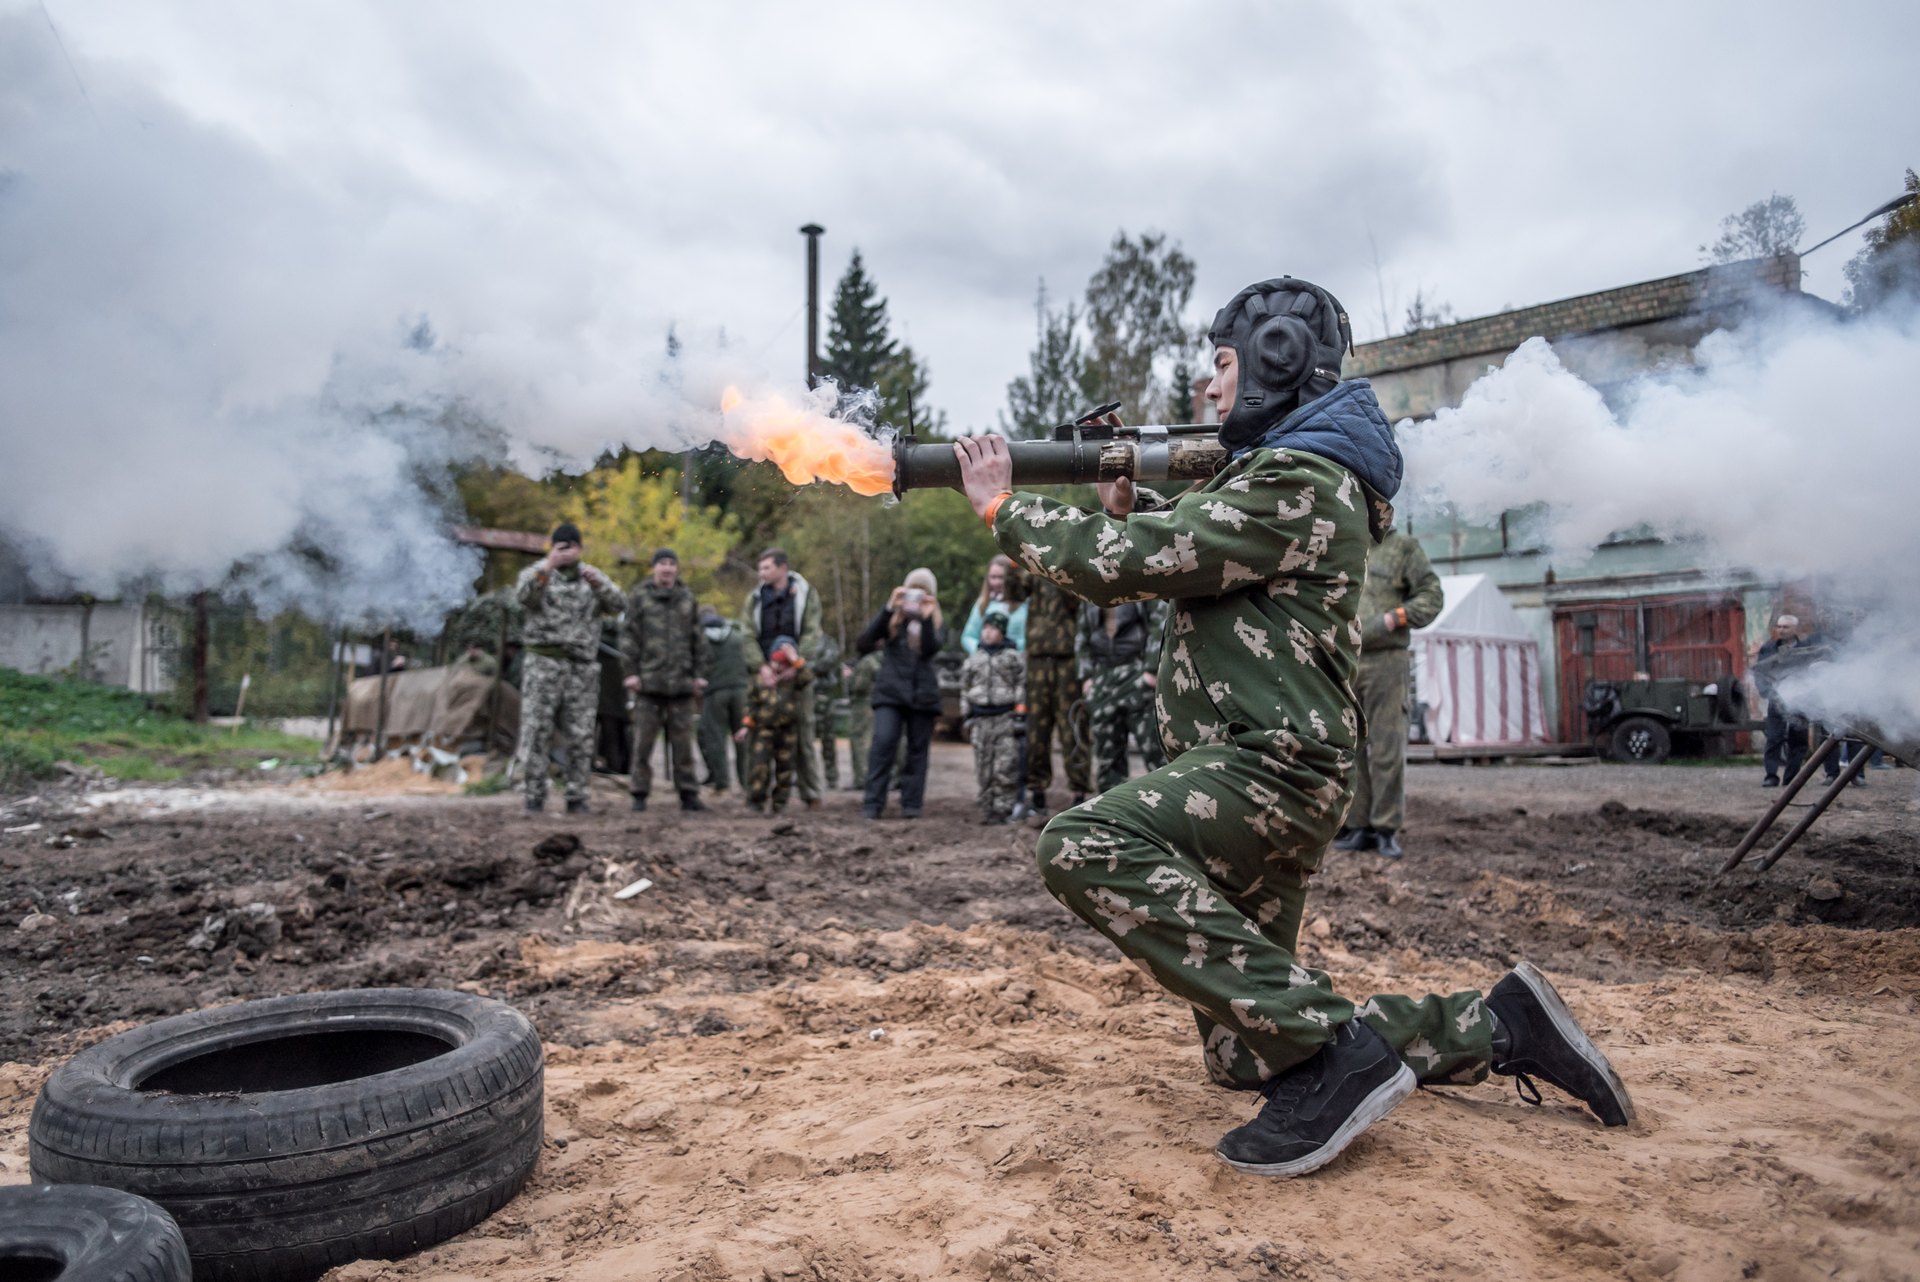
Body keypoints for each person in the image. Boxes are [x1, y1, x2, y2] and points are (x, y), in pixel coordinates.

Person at [953, 276, 1631, 1178]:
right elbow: (1202, 553)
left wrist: (1005, 506)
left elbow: (1137, 566)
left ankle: (1344, 1056)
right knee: (1248, 1051)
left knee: (1080, 841)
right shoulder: (1285, 482)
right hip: (1263, 771)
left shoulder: (1299, 477)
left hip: (1264, 771)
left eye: (1223, 367)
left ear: (1276, 360)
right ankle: (1499, 1025)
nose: (1210, 389)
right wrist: (1131, 505)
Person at [1333, 522, 1443, 860]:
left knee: (1386, 747)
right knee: (1349, 748)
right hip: (1345, 660)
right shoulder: (1344, 542)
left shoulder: (1404, 547)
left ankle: (1385, 829)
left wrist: (1398, 616)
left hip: (1386, 661)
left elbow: (1432, 595)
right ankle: (1357, 826)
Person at [512, 522, 626, 814]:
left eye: (571, 547)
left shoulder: (592, 578)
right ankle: (534, 793)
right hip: (543, 663)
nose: (566, 553)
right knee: (537, 729)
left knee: (581, 731)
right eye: (560, 547)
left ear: (580, 548)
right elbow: (523, 598)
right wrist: (548, 566)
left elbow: (620, 603)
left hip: (581, 666)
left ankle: (577, 795)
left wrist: (599, 584)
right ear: (552, 547)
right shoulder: (538, 573)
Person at [621, 549, 708, 813]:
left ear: (677, 569)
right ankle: (639, 794)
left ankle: (689, 794)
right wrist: (630, 672)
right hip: (649, 683)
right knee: (643, 744)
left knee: (683, 745)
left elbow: (699, 640)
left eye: (672, 564)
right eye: (662, 564)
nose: (667, 569)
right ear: (653, 568)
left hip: (681, 684)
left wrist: (700, 674)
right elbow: (628, 638)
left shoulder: (687, 599)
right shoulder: (639, 597)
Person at [857, 567, 945, 820]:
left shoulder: (935, 621)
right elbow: (864, 643)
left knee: (917, 750)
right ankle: (872, 804)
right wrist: (888, 608)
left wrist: (926, 619)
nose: (916, 597)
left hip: (923, 693)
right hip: (891, 691)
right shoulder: (892, 620)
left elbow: (930, 650)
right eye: (912, 590)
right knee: (883, 742)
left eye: (923, 592)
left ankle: (912, 805)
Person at [743, 548, 827, 810]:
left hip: (796, 673)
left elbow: (813, 631)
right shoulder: (755, 599)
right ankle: (755, 796)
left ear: (782, 568)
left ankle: (810, 792)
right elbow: (747, 635)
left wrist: (797, 664)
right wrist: (761, 667)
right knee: (759, 739)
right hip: (765, 675)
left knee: (803, 734)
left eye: (766, 568)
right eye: (760, 568)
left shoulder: (804, 594)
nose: (762, 573)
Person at [1076, 598, 1167, 793]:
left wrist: (1151, 670)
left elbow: (1160, 622)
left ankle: (1167, 807)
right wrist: (1086, 678)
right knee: (1107, 757)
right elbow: (1081, 634)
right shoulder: (1091, 590)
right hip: (1102, 678)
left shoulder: (1138, 585)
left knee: (1155, 750)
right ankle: (1113, 815)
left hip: (1135, 672)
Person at [1022, 576, 1091, 816]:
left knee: (1072, 727)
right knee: (1036, 729)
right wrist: (1013, 561)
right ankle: (1037, 793)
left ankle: (1079, 792)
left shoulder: (1070, 569)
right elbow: (1014, 592)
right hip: (1038, 657)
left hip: (1067, 659)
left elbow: (1076, 602)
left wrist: (1057, 572)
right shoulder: (1031, 570)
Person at [961, 610, 1027, 824]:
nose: (988, 633)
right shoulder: (974, 659)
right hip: (980, 719)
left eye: (994, 628)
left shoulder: (1012, 658)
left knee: (1005, 766)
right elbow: (965, 687)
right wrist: (966, 714)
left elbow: (1021, 685)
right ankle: (987, 806)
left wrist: (1019, 715)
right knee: (983, 765)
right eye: (985, 628)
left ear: (1003, 632)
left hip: (1005, 717)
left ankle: (1003, 809)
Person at [736, 637, 812, 814]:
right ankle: (755, 803)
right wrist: (746, 726)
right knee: (759, 767)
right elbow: (751, 704)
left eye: (783, 663)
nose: (779, 667)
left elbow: (807, 677)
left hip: (788, 731)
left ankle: (780, 805)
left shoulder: (794, 679)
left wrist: (795, 661)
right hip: (764, 730)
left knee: (785, 770)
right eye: (776, 662)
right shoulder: (760, 679)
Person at [696, 605, 751, 794]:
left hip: (715, 692)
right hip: (741, 690)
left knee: (715, 737)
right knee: (743, 736)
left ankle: (722, 782)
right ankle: (746, 782)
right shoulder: (737, 635)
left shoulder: (702, 639)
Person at [1754, 614, 1812, 787]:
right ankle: (1771, 775)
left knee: (1798, 739)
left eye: (1785, 627)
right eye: (1779, 626)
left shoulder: (1806, 648)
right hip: (1776, 697)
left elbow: (1813, 672)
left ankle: (1791, 778)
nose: (1781, 630)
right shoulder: (1768, 648)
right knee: (1774, 737)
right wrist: (1766, 691)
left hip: (1799, 700)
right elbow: (1760, 672)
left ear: (1795, 629)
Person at [961, 554, 1029, 654]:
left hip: (1015, 660)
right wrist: (982, 650)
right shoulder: (982, 604)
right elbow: (968, 637)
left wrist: (1009, 649)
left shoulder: (1024, 604)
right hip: (985, 661)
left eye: (1001, 577)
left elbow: (1029, 638)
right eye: (993, 577)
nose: (996, 582)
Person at [844, 649, 884, 792]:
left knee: (860, 741)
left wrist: (850, 677)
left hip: (862, 704)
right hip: (875, 703)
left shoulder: (868, 661)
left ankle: (862, 779)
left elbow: (859, 686)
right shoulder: (880, 658)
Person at [813, 633, 845, 790]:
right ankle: (801, 777)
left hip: (823, 695)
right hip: (803, 695)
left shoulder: (827, 641)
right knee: (801, 739)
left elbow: (828, 662)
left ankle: (831, 777)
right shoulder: (800, 639)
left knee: (828, 739)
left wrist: (803, 665)